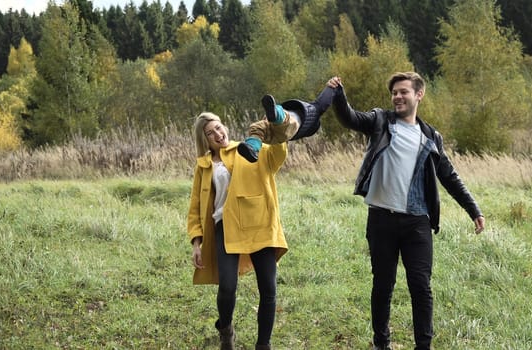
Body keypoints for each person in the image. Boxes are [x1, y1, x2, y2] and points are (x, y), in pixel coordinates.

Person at [326, 72, 485, 350]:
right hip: (381, 220)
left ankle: (424, 346)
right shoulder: (380, 122)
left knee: (421, 287)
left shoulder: (430, 137)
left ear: (418, 95)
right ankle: (381, 344)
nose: (397, 97)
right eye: (394, 93)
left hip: (417, 223)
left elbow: (449, 176)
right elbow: (350, 118)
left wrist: (474, 210)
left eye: (403, 92)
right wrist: (339, 96)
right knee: (383, 286)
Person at [187, 112, 289, 350]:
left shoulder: (250, 149)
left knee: (268, 289)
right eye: (210, 133)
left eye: (219, 128)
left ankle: (263, 344)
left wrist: (275, 126)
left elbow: (277, 155)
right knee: (227, 287)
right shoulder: (204, 166)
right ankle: (226, 330)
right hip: (225, 227)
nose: (218, 134)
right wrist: (196, 242)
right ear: (204, 140)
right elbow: (195, 206)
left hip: (259, 224)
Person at [237, 85, 336, 162]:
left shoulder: (313, 113)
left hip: (285, 130)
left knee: (286, 121)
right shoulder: (305, 113)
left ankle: (276, 115)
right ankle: (252, 148)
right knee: (257, 127)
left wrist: (331, 87)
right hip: (275, 129)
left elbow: (323, 102)